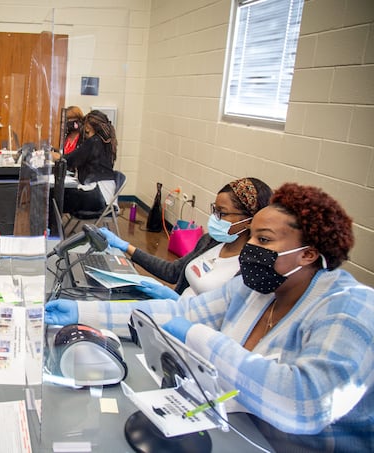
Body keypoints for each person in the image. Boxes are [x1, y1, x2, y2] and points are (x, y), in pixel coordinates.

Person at [45, 183, 374, 451]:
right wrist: (81, 311)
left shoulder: (350, 309)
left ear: (308, 254)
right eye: (253, 237)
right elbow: (181, 312)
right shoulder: (257, 287)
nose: (250, 249)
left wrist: (198, 338)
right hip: (242, 427)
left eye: (263, 240)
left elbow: (305, 401)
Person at [101, 177, 272, 299]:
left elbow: (225, 321)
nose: (215, 218)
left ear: (251, 220)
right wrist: (125, 247)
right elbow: (173, 271)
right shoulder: (210, 242)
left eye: (223, 213)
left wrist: (179, 303)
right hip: (172, 313)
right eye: (215, 210)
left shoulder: (247, 269)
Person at [52, 110, 118, 214]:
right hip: (106, 196)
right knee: (58, 196)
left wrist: (53, 156)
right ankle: (57, 229)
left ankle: (55, 229)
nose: (85, 133)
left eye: (86, 130)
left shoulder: (94, 142)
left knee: (54, 197)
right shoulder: (106, 143)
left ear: (90, 128)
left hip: (98, 195)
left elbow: (69, 160)